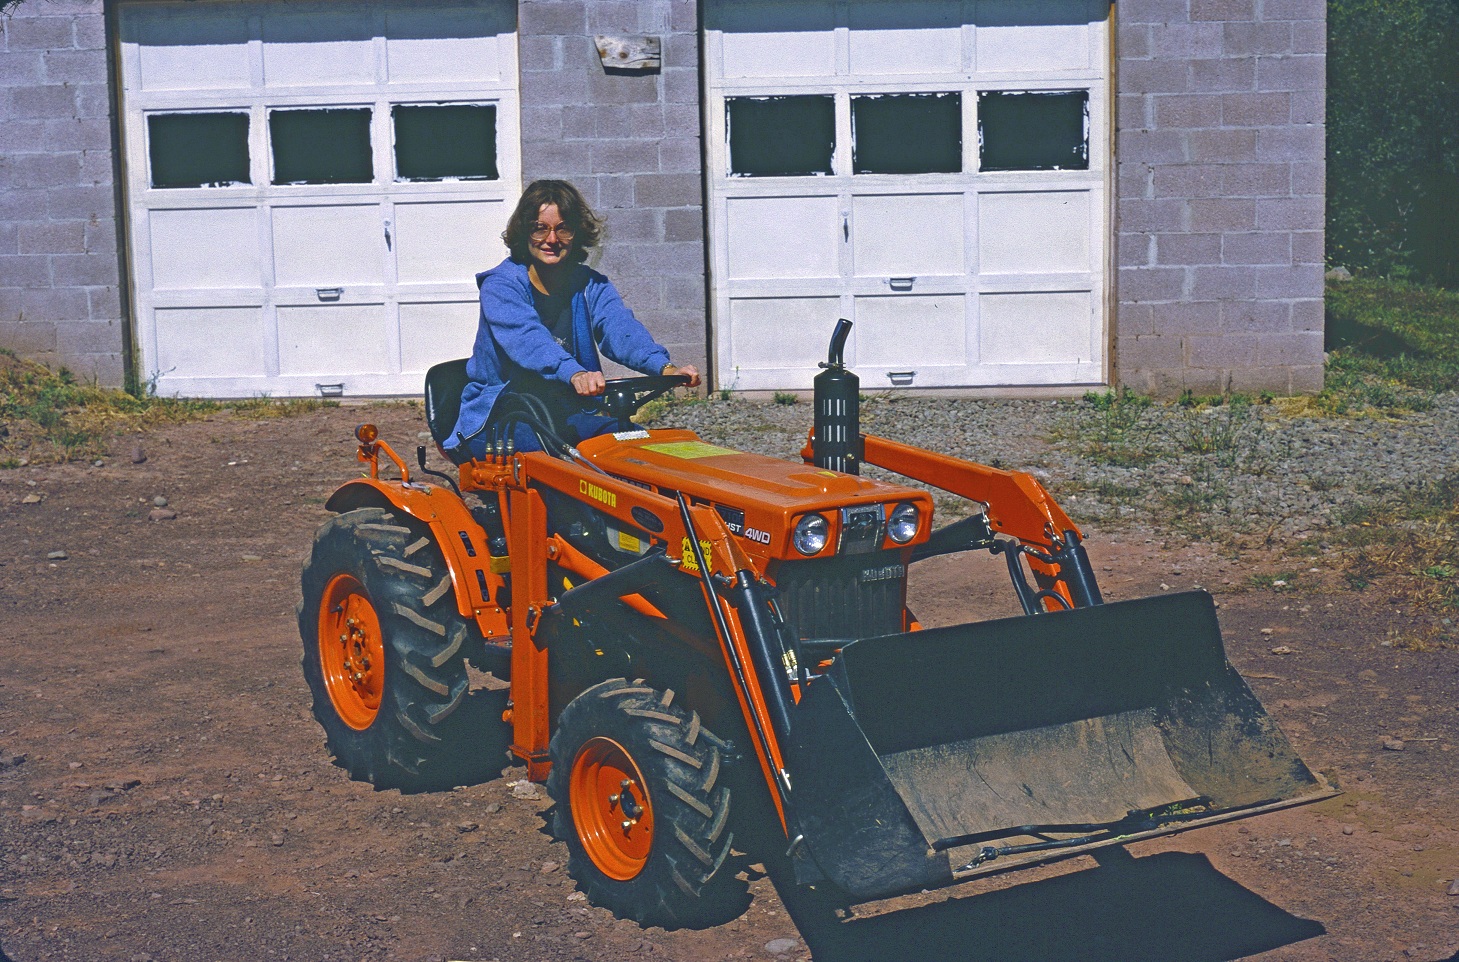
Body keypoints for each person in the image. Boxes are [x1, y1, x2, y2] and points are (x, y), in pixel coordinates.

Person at [446, 179, 700, 459]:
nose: (551, 239)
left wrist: (663, 368)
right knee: (564, 464)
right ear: (524, 231)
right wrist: (575, 373)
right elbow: (528, 340)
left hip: (567, 414)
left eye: (563, 228)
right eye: (540, 228)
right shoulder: (501, 286)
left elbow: (620, 330)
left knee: (641, 446)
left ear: (577, 233)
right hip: (500, 417)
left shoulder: (591, 285)